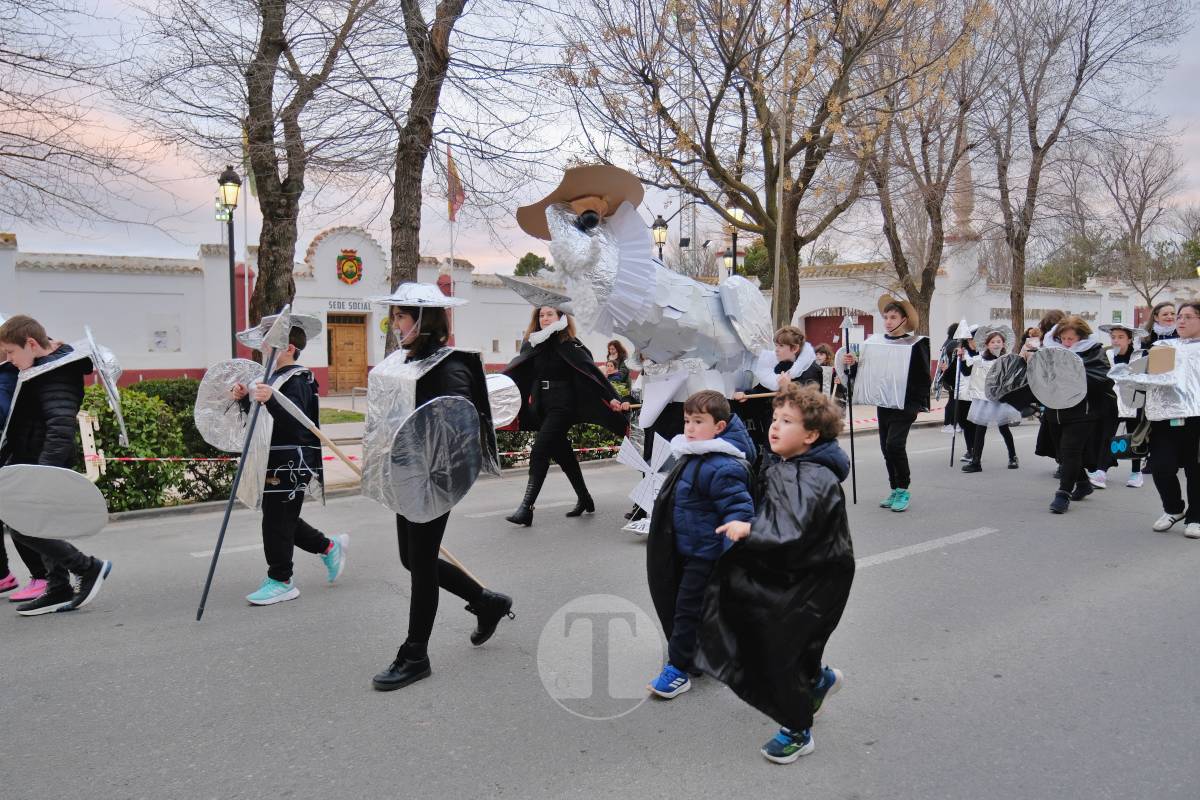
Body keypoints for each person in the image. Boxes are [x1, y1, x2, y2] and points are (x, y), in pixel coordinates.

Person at [698, 383, 854, 765]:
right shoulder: (789, 465)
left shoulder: (812, 476)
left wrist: (750, 530)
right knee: (792, 643)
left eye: (787, 421)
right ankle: (819, 681)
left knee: (782, 649)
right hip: (799, 571)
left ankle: (797, 730)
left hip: (816, 578)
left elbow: (793, 528)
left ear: (811, 435)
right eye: (774, 418)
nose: (775, 427)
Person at [371, 287, 515, 690]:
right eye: (395, 316)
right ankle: (488, 602)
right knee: (410, 559)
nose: (394, 324)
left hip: (434, 479)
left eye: (400, 316)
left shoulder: (447, 365)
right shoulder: (407, 360)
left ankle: (415, 653)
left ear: (422, 320)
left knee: (420, 564)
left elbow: (459, 419)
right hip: (408, 473)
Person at [645, 390, 755, 699]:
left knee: (687, 609)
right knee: (704, 608)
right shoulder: (694, 455)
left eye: (698, 421)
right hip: (687, 548)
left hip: (706, 555)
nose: (690, 428)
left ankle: (678, 668)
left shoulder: (721, 465)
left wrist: (737, 531)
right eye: (687, 421)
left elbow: (739, 509)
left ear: (719, 427)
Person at [0, 315, 112, 615]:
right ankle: (59, 586)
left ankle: (87, 568)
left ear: (32, 343)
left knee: (26, 526)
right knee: (34, 523)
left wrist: (43, 474)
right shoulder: (43, 365)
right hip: (33, 459)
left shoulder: (56, 373)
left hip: (44, 463)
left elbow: (60, 426)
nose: (9, 360)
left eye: (11, 352)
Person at [229, 321, 346, 606]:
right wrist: (246, 399)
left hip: (293, 461)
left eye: (270, 344)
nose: (263, 348)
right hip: (272, 458)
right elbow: (262, 421)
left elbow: (296, 424)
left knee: (276, 521)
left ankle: (281, 580)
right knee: (281, 519)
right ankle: (329, 547)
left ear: (289, 348)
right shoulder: (271, 378)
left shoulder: (298, 378)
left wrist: (271, 400)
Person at [503, 305, 629, 527]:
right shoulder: (533, 344)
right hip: (541, 406)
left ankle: (526, 508)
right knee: (562, 454)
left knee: (540, 450)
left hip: (563, 406)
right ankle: (585, 499)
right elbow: (519, 371)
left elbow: (591, 373)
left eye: (550, 314)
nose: (544, 318)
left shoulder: (569, 344)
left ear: (561, 317)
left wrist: (611, 397)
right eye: (541, 315)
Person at [842, 296, 931, 512]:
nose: (889, 321)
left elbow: (923, 377)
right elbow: (866, 372)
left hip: (906, 404)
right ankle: (894, 487)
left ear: (904, 320)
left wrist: (917, 403)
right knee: (885, 447)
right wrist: (851, 365)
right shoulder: (875, 343)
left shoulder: (917, 344)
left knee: (895, 445)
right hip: (884, 403)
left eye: (893, 317)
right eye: (886, 317)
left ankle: (903, 489)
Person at [1037, 317, 1115, 514]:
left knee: (1070, 450)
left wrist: (1072, 369)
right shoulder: (1049, 350)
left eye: (1071, 338)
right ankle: (1082, 482)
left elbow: (1103, 378)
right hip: (1055, 410)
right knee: (1062, 453)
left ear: (1081, 337)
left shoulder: (1093, 351)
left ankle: (1063, 494)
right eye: (1063, 338)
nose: (1066, 342)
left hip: (1083, 411)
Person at [735, 326, 821, 455]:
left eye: (781, 346)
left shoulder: (811, 370)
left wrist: (787, 388)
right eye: (776, 345)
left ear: (795, 348)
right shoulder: (779, 366)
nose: (776, 350)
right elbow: (763, 391)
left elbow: (809, 406)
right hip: (774, 436)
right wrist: (746, 395)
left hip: (797, 441)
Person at [1097, 323, 1147, 488]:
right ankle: (1101, 471)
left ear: (1130, 339)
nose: (1116, 341)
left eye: (1120, 337)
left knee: (1134, 436)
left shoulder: (1140, 355)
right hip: (1111, 402)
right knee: (1107, 435)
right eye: (1113, 337)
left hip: (1134, 401)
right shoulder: (1106, 355)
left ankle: (1136, 472)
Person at [962, 330, 1020, 472]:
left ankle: (1013, 456)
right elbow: (966, 371)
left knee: (1004, 428)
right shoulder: (980, 358)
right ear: (987, 345)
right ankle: (976, 462)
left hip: (1000, 399)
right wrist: (961, 358)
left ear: (1003, 344)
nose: (995, 344)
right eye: (992, 342)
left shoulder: (1008, 359)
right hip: (984, 399)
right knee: (980, 429)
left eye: (998, 341)